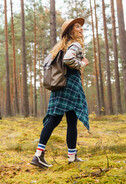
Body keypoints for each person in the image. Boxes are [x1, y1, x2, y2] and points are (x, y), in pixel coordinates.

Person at [30, 18, 90, 168]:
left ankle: (71, 156)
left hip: (61, 85)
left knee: (63, 119)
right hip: (69, 86)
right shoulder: (74, 45)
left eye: (81, 27)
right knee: (63, 120)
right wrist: (82, 63)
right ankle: (39, 156)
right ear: (70, 31)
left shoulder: (61, 47)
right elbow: (68, 59)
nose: (81, 29)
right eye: (77, 27)